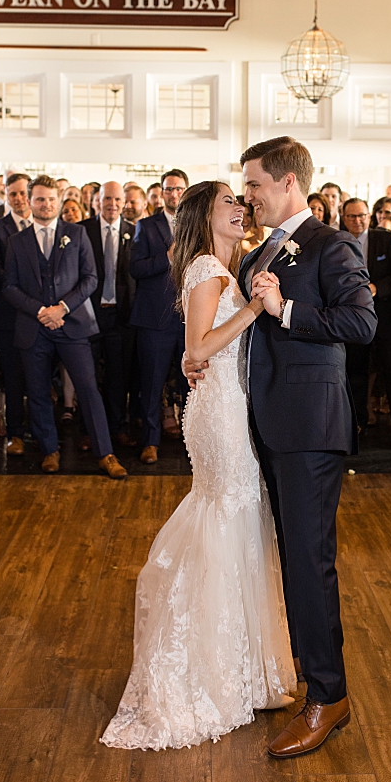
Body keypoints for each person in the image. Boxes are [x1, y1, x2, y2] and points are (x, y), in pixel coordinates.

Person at [186, 137, 376, 758]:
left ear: (289, 182)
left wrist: (286, 308)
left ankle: (329, 695)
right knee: (288, 558)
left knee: (308, 562)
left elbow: (361, 323)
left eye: (256, 185)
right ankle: (302, 675)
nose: (248, 196)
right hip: (264, 425)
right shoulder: (261, 249)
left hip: (309, 426)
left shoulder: (331, 243)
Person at [102, 181, 293, 749]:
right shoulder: (208, 266)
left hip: (228, 401)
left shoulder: (226, 264)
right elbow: (198, 349)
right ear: (205, 218)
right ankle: (214, 671)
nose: (241, 208)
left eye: (241, 200)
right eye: (229, 203)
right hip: (220, 412)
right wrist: (258, 308)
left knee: (237, 515)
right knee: (229, 513)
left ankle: (242, 666)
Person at [2, 176, 127, 479]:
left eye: (51, 199)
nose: (46, 205)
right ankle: (49, 450)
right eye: (40, 199)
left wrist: (63, 308)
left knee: (88, 388)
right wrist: (42, 310)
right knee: (38, 391)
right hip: (34, 326)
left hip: (73, 324)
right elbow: (10, 286)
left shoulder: (77, 233)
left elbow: (90, 278)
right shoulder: (16, 242)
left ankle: (105, 453)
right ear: (30, 202)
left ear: (59, 201)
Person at [341, 198, 391, 445]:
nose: (357, 221)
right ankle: (357, 425)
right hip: (352, 318)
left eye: (361, 216)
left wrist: (376, 288)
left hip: (386, 318)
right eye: (351, 217)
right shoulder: (337, 242)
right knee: (355, 374)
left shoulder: (387, 240)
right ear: (343, 217)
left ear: (369, 216)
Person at [130, 170, 188, 464]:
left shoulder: (198, 226)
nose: (174, 194)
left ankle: (194, 445)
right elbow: (136, 269)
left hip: (192, 319)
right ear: (161, 193)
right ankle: (150, 441)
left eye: (179, 189)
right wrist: (166, 257)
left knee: (191, 386)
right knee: (151, 385)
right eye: (168, 189)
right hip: (155, 319)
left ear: (186, 191)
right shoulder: (145, 226)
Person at [82, 182, 136, 451]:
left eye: (117, 199)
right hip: (88, 313)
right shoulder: (81, 230)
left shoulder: (133, 232)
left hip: (121, 315)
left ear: (124, 202)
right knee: (88, 377)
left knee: (118, 376)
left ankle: (117, 428)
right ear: (96, 201)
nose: (112, 204)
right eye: (107, 199)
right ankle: (89, 431)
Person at [0, 172, 34, 455]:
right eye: (12, 194)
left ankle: (41, 433)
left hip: (40, 314)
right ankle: (15, 433)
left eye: (22, 193)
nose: (18, 199)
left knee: (39, 378)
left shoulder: (46, 226)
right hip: (9, 314)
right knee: (13, 377)